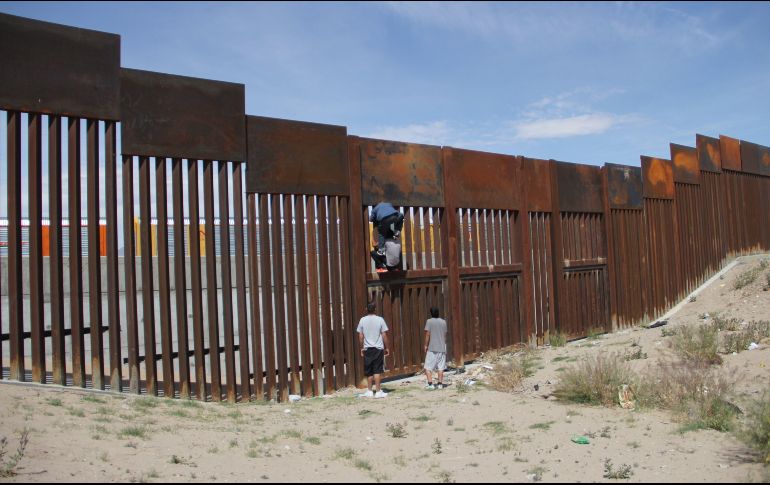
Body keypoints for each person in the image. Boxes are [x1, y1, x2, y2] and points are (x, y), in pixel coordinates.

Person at [357, 301, 391, 398]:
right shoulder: (380, 319)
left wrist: (361, 347)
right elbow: (384, 335)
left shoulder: (362, 320)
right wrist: (387, 347)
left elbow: (360, 335)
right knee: (377, 370)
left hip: (367, 348)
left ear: (366, 309)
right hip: (378, 348)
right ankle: (378, 391)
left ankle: (369, 390)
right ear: (375, 309)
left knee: (369, 371)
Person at [370, 202, 404, 272]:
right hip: (395, 216)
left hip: (384, 220)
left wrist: (372, 219)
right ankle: (397, 230)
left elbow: (371, 218)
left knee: (381, 234)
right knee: (399, 218)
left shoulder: (375, 209)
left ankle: (381, 264)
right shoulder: (389, 204)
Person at [423, 306, 448, 390]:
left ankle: (430, 384)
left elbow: (427, 334)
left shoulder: (429, 321)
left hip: (432, 348)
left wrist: (426, 345)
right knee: (441, 367)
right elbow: (444, 336)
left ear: (431, 313)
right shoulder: (443, 322)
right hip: (442, 347)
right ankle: (440, 384)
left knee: (427, 367)